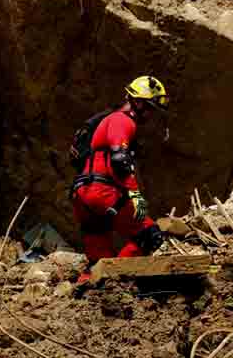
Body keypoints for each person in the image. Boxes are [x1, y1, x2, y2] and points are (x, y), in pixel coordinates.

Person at [70, 76, 167, 282]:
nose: (150, 115)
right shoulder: (122, 120)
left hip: (83, 196)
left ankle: (89, 290)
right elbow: (120, 160)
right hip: (102, 193)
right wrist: (137, 198)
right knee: (150, 236)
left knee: (99, 260)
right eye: (149, 108)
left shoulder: (108, 121)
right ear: (137, 102)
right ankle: (119, 281)